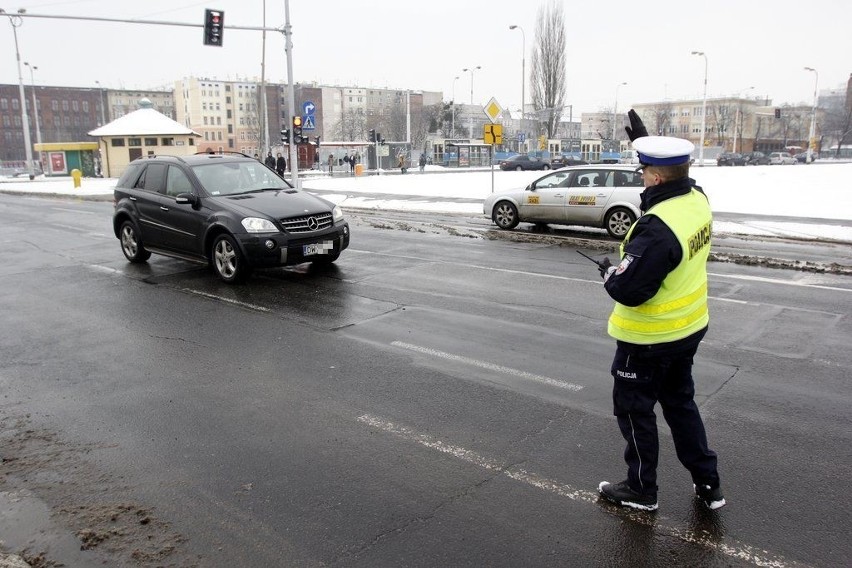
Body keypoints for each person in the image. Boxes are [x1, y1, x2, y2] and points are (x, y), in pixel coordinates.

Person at [596, 109, 724, 513]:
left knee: (635, 411)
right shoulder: (695, 200)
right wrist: (647, 143)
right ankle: (709, 485)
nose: (640, 176)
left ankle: (641, 490)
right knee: (681, 406)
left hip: (647, 340)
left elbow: (628, 290)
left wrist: (610, 273)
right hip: (687, 331)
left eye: (643, 170)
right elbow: (681, 177)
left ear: (654, 177)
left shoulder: (655, 228)